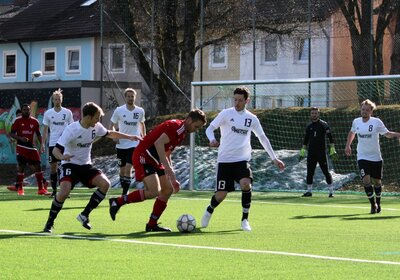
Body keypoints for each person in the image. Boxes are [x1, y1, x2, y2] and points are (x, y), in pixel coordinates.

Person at [43, 102, 142, 233]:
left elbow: (111, 133)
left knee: (105, 184)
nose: (98, 120)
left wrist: (130, 137)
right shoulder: (72, 130)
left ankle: (84, 214)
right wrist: (62, 157)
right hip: (70, 165)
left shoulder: (96, 127)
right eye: (96, 117)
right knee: (64, 192)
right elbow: (56, 150)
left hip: (86, 166)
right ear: (88, 117)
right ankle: (49, 223)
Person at [200, 86, 285, 231]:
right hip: (225, 160)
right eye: (235, 99)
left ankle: (244, 220)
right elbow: (209, 128)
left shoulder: (252, 118)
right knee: (221, 195)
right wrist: (212, 139)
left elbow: (262, 138)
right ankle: (209, 209)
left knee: (246, 184)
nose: (237, 103)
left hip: (242, 160)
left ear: (247, 101)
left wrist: (274, 158)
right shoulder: (226, 114)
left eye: (240, 100)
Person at [108, 109, 207, 232]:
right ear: (189, 120)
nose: (195, 130)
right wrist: (168, 169)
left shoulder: (182, 132)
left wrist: (172, 176)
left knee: (167, 190)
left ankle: (151, 224)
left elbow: (167, 152)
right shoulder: (176, 127)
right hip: (144, 155)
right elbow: (158, 143)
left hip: (155, 159)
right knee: (153, 191)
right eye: (196, 126)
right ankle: (117, 201)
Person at [345, 99, 400, 214]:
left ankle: (378, 203)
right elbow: (352, 132)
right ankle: (372, 205)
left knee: (377, 182)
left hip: (375, 157)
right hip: (362, 156)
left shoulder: (376, 122)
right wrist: (348, 145)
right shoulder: (356, 122)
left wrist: (397, 135)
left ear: (371, 111)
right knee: (366, 181)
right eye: (362, 109)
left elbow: (387, 134)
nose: (364, 111)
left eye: (367, 110)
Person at [109, 88, 146, 195]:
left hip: (134, 143)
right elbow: (111, 124)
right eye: (128, 96)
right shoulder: (119, 110)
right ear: (125, 97)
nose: (130, 98)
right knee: (122, 170)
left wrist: (144, 137)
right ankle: (124, 189)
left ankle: (125, 193)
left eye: (132, 96)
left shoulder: (140, 111)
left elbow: (142, 124)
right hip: (121, 144)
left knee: (128, 168)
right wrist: (113, 137)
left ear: (135, 97)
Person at [8, 104, 50, 196]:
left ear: (30, 111)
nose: (26, 111)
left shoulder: (35, 122)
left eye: (27, 110)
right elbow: (12, 134)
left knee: (38, 165)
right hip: (21, 147)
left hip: (31, 147)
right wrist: (20, 138)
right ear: (22, 110)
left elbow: (38, 134)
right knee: (21, 167)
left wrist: (42, 144)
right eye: (24, 110)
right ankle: (20, 189)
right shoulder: (17, 121)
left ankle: (41, 189)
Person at [41, 89, 74, 197]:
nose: (57, 101)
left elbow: (72, 128)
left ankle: (65, 191)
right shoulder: (48, 113)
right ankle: (55, 191)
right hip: (53, 143)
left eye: (59, 99)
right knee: (53, 167)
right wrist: (42, 144)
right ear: (53, 100)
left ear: (61, 100)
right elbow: (45, 130)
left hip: (65, 143)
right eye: (55, 99)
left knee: (65, 167)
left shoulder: (67, 112)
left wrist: (73, 142)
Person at [299, 107, 337, 198]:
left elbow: (330, 137)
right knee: (310, 172)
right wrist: (303, 150)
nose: (314, 115)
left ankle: (331, 192)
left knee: (325, 171)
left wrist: (332, 148)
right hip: (311, 153)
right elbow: (306, 139)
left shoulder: (324, 124)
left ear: (318, 114)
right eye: (312, 113)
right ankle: (309, 191)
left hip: (321, 152)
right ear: (310, 114)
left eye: (315, 113)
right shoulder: (309, 126)